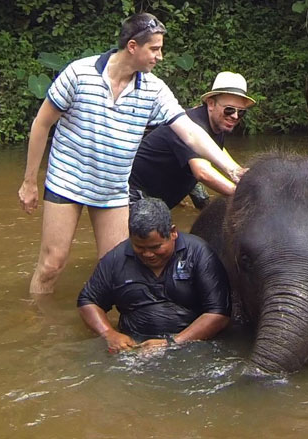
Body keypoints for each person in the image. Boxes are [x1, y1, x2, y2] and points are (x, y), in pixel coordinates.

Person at [17, 13, 244, 296]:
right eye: (155, 49)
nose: (160, 57)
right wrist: (29, 182)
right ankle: (36, 321)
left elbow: (190, 132)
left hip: (113, 190)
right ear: (133, 46)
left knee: (116, 270)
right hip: (68, 181)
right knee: (52, 264)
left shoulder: (153, 89)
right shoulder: (79, 74)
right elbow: (42, 124)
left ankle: (110, 329)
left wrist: (231, 169)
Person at [77, 198, 231, 352]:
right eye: (139, 247)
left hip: (189, 344)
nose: (148, 254)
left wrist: (172, 343)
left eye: (156, 247)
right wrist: (109, 334)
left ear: (173, 233)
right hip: (134, 346)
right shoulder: (117, 258)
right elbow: (88, 301)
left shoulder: (198, 253)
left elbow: (219, 314)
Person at [129, 71, 255, 209]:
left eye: (241, 112)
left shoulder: (217, 124)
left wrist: (240, 172)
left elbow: (218, 150)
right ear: (211, 104)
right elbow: (202, 172)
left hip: (163, 194)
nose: (235, 116)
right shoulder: (191, 124)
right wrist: (240, 195)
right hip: (134, 194)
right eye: (229, 110)